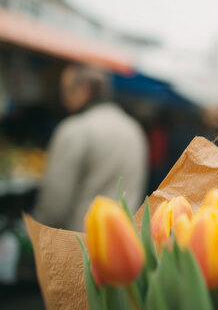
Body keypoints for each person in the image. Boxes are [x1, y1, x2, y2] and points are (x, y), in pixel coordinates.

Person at [32, 64, 147, 232]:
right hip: (123, 243)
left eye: (66, 91)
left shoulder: (75, 130)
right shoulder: (134, 130)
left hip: (82, 246)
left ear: (83, 91)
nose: (63, 99)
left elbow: (54, 205)